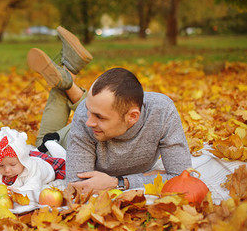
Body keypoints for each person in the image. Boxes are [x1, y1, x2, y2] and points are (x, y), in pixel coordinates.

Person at [28, 26, 192, 195]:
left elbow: (182, 177)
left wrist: (119, 182)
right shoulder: (85, 119)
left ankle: (67, 77)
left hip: (101, 130)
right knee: (42, 142)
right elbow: (78, 185)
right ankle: (67, 77)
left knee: (97, 110)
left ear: (133, 116)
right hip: (66, 141)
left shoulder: (162, 112)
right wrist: (149, 177)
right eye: (89, 109)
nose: (89, 121)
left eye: (99, 116)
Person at [0, 127, 66, 195]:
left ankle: (49, 143)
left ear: (23, 161)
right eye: (1, 165)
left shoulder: (32, 170)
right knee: (35, 152)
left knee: (62, 159)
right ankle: (40, 149)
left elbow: (34, 187)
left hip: (46, 165)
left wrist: (17, 190)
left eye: (13, 165)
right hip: (30, 156)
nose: (7, 170)